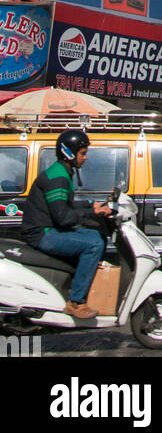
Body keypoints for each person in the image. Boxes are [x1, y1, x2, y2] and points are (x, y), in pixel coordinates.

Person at [20, 129, 111, 320]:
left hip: (48, 228)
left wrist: (89, 205)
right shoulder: (59, 177)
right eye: (82, 153)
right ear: (69, 154)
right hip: (42, 233)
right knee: (94, 244)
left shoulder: (63, 172)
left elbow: (63, 206)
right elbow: (62, 216)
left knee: (95, 236)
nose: (85, 158)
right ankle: (76, 301)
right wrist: (92, 212)